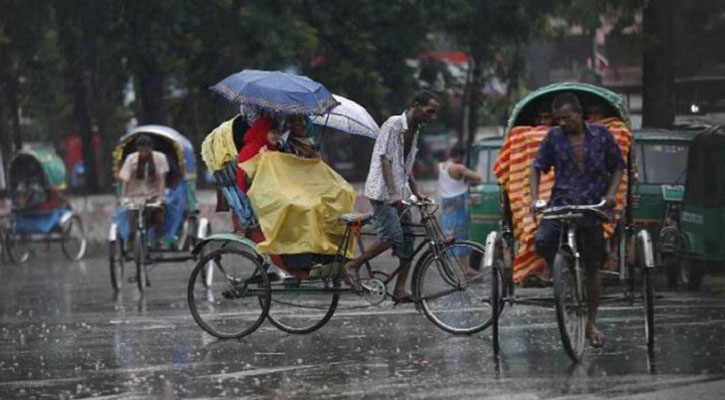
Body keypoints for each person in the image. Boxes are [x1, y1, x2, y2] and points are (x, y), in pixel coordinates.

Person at [530, 92, 625, 348]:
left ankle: (591, 322)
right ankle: (562, 271)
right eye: (557, 118)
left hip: (592, 205)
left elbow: (618, 166)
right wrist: (535, 198)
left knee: (593, 267)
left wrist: (610, 195)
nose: (561, 122)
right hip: (562, 202)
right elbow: (537, 167)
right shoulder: (553, 137)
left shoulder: (601, 135)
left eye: (566, 117)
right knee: (543, 240)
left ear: (579, 113)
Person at [344, 90, 440, 303]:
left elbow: (405, 167)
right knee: (391, 237)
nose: (431, 117)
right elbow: (385, 159)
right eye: (429, 111)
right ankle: (353, 265)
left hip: (400, 194)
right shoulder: (394, 124)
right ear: (416, 105)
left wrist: (416, 193)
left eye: (435, 113)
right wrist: (393, 193)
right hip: (382, 192)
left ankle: (399, 289)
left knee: (408, 242)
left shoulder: (415, 130)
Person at [438, 143, 483, 278]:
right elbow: (478, 178)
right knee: (462, 237)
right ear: (461, 156)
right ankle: (466, 268)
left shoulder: (441, 166)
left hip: (446, 206)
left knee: (449, 237)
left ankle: (447, 267)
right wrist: (477, 168)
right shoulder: (459, 168)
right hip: (458, 206)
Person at [118, 135, 170, 248]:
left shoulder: (160, 158)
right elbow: (125, 181)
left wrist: (161, 196)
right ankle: (131, 240)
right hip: (135, 196)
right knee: (132, 219)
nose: (144, 153)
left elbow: (161, 179)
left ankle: (159, 238)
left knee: (159, 214)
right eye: (141, 151)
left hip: (153, 195)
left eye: (146, 150)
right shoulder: (131, 159)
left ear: (151, 148)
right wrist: (124, 197)